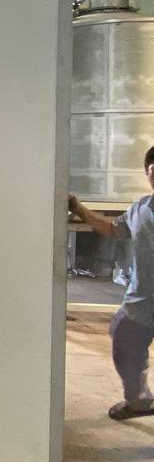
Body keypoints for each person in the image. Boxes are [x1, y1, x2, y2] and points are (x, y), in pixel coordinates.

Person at [69, 144, 154, 421]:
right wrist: (79, 208)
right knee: (124, 341)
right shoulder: (141, 208)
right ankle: (139, 402)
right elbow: (112, 229)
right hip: (142, 301)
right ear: (147, 172)